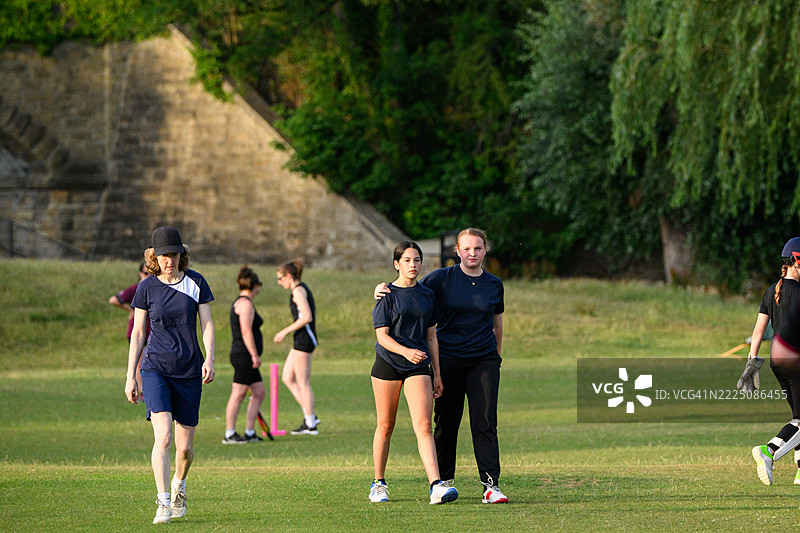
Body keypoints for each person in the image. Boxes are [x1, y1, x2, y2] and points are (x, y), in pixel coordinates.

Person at [375, 228, 508, 503]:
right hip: (447, 359)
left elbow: (497, 324)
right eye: (467, 249)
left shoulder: (495, 285)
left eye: (478, 248)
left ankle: (491, 486)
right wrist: (380, 288)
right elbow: (407, 288)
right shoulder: (440, 279)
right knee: (445, 422)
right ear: (457, 251)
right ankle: (442, 481)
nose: (472, 253)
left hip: (483, 361)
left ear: (485, 250)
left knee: (485, 421)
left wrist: (494, 356)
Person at [124, 226, 215, 524]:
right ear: (154, 257)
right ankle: (163, 502)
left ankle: (179, 484)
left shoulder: (196, 282)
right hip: (155, 368)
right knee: (163, 437)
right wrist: (131, 376)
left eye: (174, 254)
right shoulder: (147, 287)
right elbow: (138, 333)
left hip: (189, 369)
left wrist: (210, 357)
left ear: (181, 255)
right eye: (163, 256)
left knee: (185, 448)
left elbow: (207, 324)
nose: (169, 261)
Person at [369, 241, 458, 505]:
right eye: (407, 260)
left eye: (417, 260)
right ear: (397, 264)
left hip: (418, 367)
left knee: (423, 426)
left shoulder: (427, 294)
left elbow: (432, 337)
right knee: (386, 426)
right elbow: (382, 337)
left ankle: (436, 486)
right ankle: (378, 483)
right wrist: (406, 351)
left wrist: (437, 373)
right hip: (388, 364)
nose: (413, 265)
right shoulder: (386, 294)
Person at [750, 237, 800, 485]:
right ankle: (769, 451)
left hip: (777, 363)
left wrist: (752, 361)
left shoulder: (772, 290)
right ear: (796, 261)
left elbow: (759, 331)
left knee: (798, 418)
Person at [273, 259, 320, 435]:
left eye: (280, 278)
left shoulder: (298, 291)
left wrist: (284, 332)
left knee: (303, 382)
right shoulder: (298, 289)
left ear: (289, 276)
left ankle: (310, 423)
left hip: (304, 340)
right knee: (287, 377)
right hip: (300, 340)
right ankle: (310, 415)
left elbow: (306, 317)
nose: (279, 282)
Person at [223, 266, 266, 444]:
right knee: (238, 393)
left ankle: (249, 431)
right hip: (244, 354)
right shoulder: (245, 304)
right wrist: (254, 355)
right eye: (259, 286)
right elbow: (246, 331)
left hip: (244, 354)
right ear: (254, 285)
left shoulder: (242, 302)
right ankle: (230, 433)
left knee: (259, 392)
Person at [110, 261, 150, 393]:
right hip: (137, 330)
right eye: (145, 273)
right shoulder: (136, 288)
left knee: (148, 361)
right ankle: (141, 389)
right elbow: (114, 300)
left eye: (150, 272)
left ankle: (148, 388)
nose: (148, 275)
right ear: (140, 274)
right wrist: (130, 310)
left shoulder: (154, 288)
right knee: (139, 362)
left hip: (152, 330)